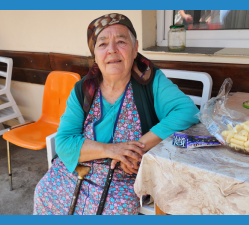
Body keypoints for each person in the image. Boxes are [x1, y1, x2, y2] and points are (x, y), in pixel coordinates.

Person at [33, 13, 200, 215]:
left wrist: (135, 150)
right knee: (43, 191)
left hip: (123, 175)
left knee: (112, 210)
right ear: (94, 53)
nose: (112, 50)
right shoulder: (83, 89)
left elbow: (187, 112)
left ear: (135, 47)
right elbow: (64, 142)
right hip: (74, 171)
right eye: (102, 44)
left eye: (121, 41)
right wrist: (113, 150)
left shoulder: (150, 81)